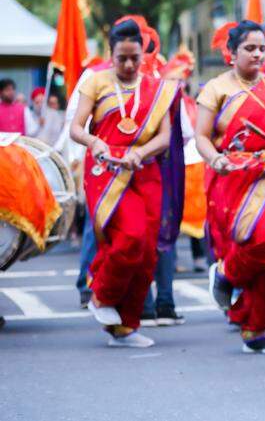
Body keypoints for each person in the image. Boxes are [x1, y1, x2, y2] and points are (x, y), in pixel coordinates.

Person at [69, 19, 183, 348]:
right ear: (111, 54)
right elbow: (77, 127)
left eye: (135, 57)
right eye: (122, 58)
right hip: (106, 171)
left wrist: (140, 152)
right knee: (129, 237)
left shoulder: (157, 88)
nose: (130, 65)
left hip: (145, 170)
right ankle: (102, 295)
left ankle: (126, 327)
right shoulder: (95, 82)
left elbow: (164, 137)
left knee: (147, 252)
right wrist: (96, 143)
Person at [196, 21, 265, 353]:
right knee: (261, 241)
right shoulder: (216, 88)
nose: (257, 54)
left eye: (261, 48)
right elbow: (202, 137)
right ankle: (227, 273)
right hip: (234, 177)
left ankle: (255, 328)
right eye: (249, 48)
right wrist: (216, 159)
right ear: (232, 52)